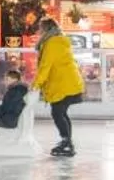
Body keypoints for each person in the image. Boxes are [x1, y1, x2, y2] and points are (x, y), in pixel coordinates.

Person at [33, 18, 84, 157]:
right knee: (61, 113)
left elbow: (45, 66)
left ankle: (67, 143)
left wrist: (35, 85)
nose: (39, 31)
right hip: (67, 83)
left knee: (57, 113)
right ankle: (67, 142)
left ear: (46, 29)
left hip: (63, 84)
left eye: (40, 28)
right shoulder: (58, 41)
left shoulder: (52, 43)